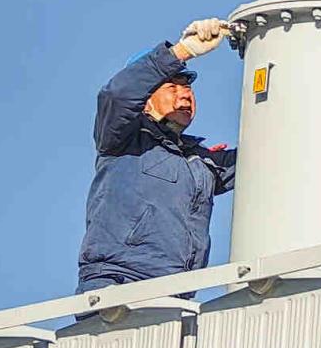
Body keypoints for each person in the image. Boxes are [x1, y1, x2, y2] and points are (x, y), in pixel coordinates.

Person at [78, 20, 240, 290]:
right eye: (172, 88)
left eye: (187, 88)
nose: (185, 95)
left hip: (175, 292)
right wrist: (182, 52)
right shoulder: (122, 139)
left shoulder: (200, 162)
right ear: (145, 101)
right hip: (118, 282)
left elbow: (263, 158)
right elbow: (118, 95)